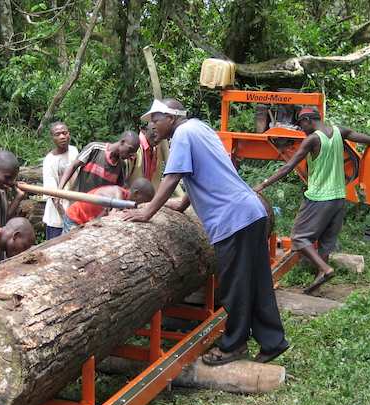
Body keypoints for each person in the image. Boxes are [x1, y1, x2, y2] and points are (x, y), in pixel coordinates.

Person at [123, 98, 288, 366]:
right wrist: (184, 202)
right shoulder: (200, 128)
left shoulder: (183, 135)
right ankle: (272, 341)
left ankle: (233, 346)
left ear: (171, 117)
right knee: (255, 282)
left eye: (155, 119)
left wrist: (147, 212)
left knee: (234, 287)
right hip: (250, 212)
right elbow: (206, 171)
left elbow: (172, 177)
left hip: (233, 219)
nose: (151, 126)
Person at [254, 107, 370, 294]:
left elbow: (287, 167)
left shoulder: (312, 139)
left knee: (299, 237)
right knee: (327, 241)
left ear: (308, 120)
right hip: (339, 198)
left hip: (319, 198)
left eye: (301, 124)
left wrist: (262, 185)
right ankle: (320, 278)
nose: (301, 129)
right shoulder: (340, 132)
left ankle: (326, 269)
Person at [58, 131, 139, 194]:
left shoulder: (121, 166)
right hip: (78, 204)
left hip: (99, 212)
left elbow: (119, 190)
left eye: (133, 152)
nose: (131, 155)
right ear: (122, 142)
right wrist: (59, 190)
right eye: (130, 150)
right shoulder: (95, 149)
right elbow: (73, 166)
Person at [63, 178, 154, 231]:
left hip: (87, 220)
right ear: (136, 194)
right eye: (144, 201)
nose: (143, 204)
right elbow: (114, 211)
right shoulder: (118, 193)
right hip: (75, 216)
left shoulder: (126, 201)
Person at [41, 122, 79, 239]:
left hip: (76, 212)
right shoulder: (49, 161)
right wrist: (65, 218)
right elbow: (53, 195)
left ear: (69, 134)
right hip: (57, 220)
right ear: (52, 138)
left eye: (64, 133)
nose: (62, 136)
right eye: (57, 134)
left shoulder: (74, 151)